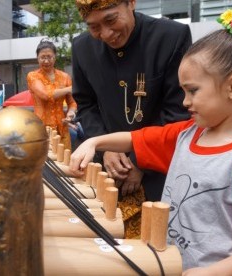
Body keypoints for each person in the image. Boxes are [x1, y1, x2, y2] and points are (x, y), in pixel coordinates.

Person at [70, 7, 232, 275]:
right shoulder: (186, 135)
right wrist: (94, 143)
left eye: (192, 91)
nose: (185, 101)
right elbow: (134, 138)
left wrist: (211, 272)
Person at [72, 0, 192, 238]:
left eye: (110, 20)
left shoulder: (171, 37)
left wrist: (140, 160)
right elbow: (86, 104)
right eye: (94, 27)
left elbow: (177, 109)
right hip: (107, 171)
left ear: (131, 3)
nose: (105, 34)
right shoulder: (82, 47)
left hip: (160, 171)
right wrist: (105, 146)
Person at [27, 39, 77, 150]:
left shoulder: (65, 76)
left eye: (49, 57)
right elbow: (45, 95)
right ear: (37, 58)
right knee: (44, 163)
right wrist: (68, 89)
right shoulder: (33, 76)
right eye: (42, 57)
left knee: (65, 162)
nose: (46, 61)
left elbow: (72, 102)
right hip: (42, 130)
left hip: (62, 128)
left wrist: (71, 113)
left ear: (55, 57)